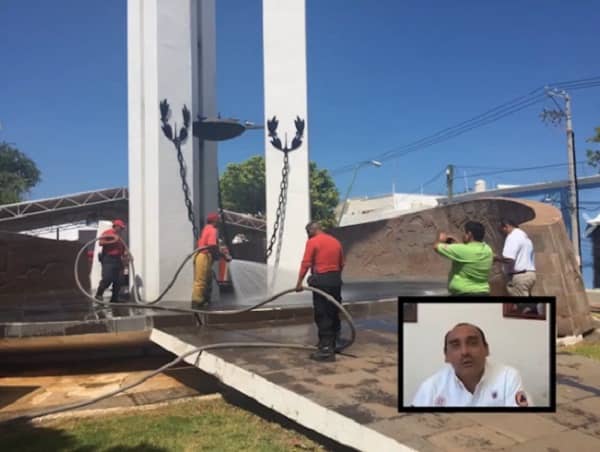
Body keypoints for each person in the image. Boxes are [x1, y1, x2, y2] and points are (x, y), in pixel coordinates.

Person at [411, 323, 532, 407]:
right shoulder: (430, 388)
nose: (465, 352)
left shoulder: (508, 377)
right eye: (455, 345)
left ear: (486, 349)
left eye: (473, 343)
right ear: (446, 356)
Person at [296, 221, 344, 362]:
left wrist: (299, 282)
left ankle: (326, 351)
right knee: (333, 311)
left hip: (321, 281)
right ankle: (331, 343)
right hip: (335, 280)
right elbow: (342, 264)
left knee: (322, 314)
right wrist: (334, 279)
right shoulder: (336, 241)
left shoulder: (313, 241)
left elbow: (306, 263)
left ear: (310, 231)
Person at [433, 221, 493, 296]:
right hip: (483, 292)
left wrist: (440, 237)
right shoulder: (487, 249)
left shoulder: (463, 250)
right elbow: (468, 254)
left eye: (464, 233)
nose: (463, 235)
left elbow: (436, 247)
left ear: (469, 234)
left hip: (465, 293)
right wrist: (457, 245)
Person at [192, 212, 231, 308]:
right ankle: (197, 302)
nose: (219, 222)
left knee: (208, 280)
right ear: (215, 221)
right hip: (204, 255)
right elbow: (212, 245)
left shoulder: (206, 228)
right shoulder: (213, 230)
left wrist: (221, 254)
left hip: (201, 255)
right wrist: (221, 256)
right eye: (218, 220)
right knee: (201, 280)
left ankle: (205, 300)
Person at [494, 218, 536, 296]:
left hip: (520, 277)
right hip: (530, 275)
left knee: (521, 306)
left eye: (501, 230)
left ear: (506, 226)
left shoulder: (512, 237)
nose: (501, 233)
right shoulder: (524, 236)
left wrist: (495, 258)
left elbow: (509, 259)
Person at [95, 219, 127, 302]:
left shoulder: (119, 236)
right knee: (107, 279)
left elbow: (122, 248)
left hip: (118, 259)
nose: (122, 229)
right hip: (108, 259)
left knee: (119, 280)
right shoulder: (108, 233)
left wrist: (125, 255)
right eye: (121, 227)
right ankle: (99, 295)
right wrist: (114, 240)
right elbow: (101, 242)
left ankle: (114, 299)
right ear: (116, 226)